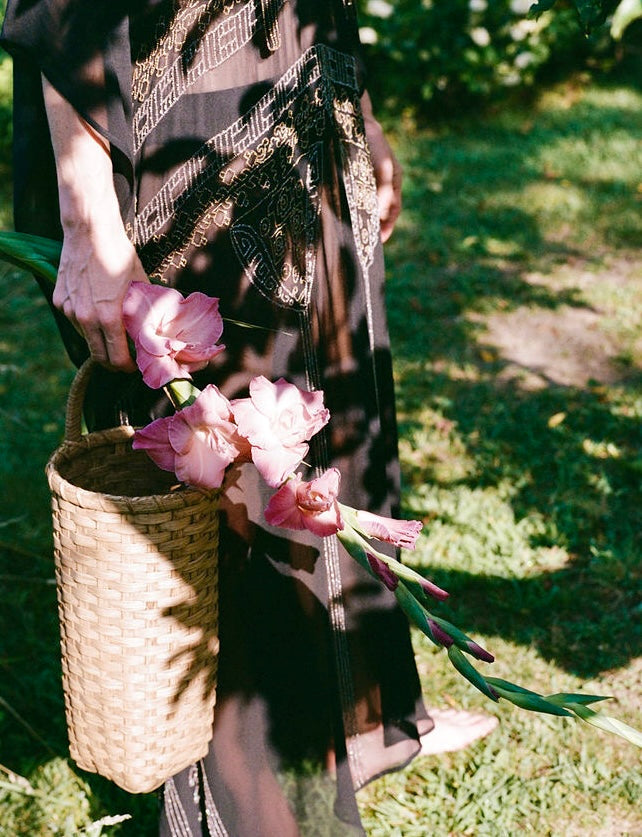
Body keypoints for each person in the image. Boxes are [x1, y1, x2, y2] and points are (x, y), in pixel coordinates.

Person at [1, 2, 496, 834]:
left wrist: (356, 114)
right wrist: (88, 214)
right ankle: (258, 809)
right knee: (237, 475)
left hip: (301, 93)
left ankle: (346, 724)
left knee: (329, 423)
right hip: (175, 121)